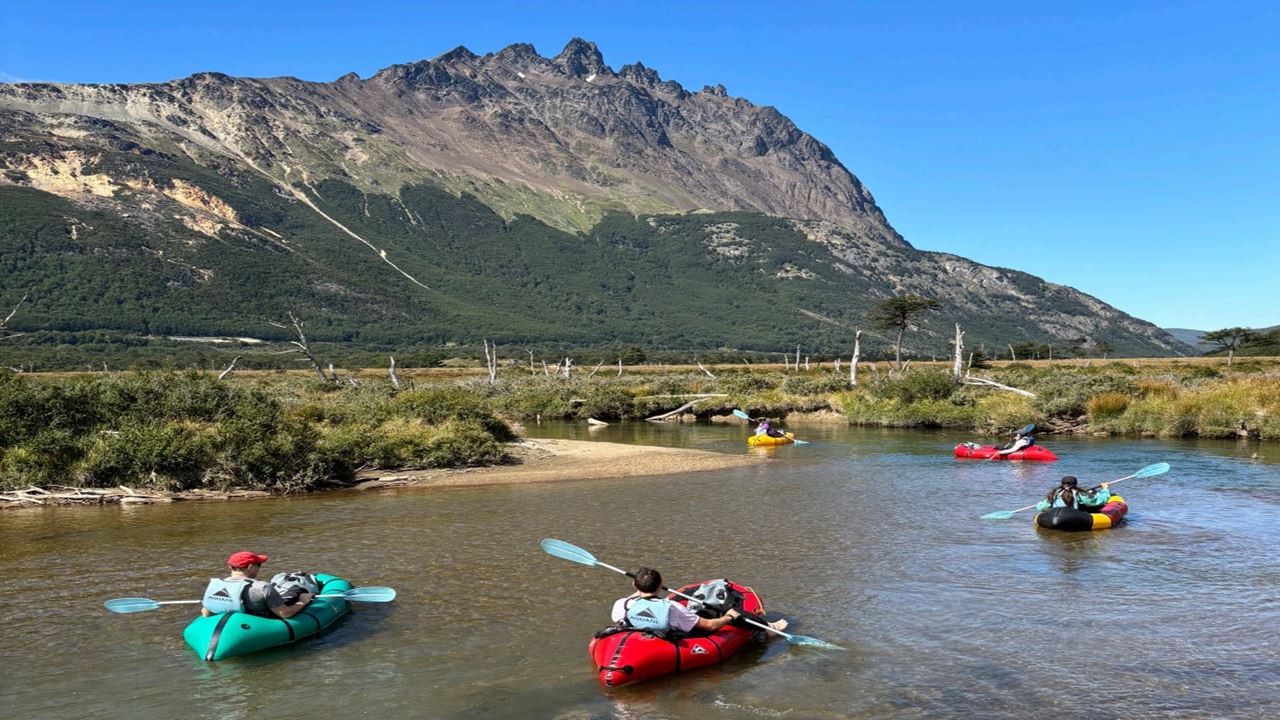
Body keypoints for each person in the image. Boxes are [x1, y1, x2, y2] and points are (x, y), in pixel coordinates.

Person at [610, 567, 788, 635]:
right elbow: (710, 626)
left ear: (634, 584)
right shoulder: (672, 607)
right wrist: (729, 617)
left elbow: (636, 600)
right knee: (732, 611)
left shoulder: (621, 605)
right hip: (671, 637)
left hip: (640, 632)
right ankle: (769, 628)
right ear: (660, 585)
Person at [200, 551, 313, 619]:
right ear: (250, 567)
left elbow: (206, 612)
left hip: (237, 620)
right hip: (263, 621)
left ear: (230, 567)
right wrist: (303, 601)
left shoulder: (215, 585)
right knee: (296, 591)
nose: (259, 568)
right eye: (259, 565)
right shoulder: (262, 587)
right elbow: (285, 614)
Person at [1036, 476, 1111, 511]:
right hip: (1073, 516)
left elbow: (1042, 507)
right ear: (1076, 484)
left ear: (1062, 484)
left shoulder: (1055, 493)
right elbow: (1096, 502)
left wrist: (1038, 504)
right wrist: (1105, 489)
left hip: (1056, 514)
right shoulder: (1079, 493)